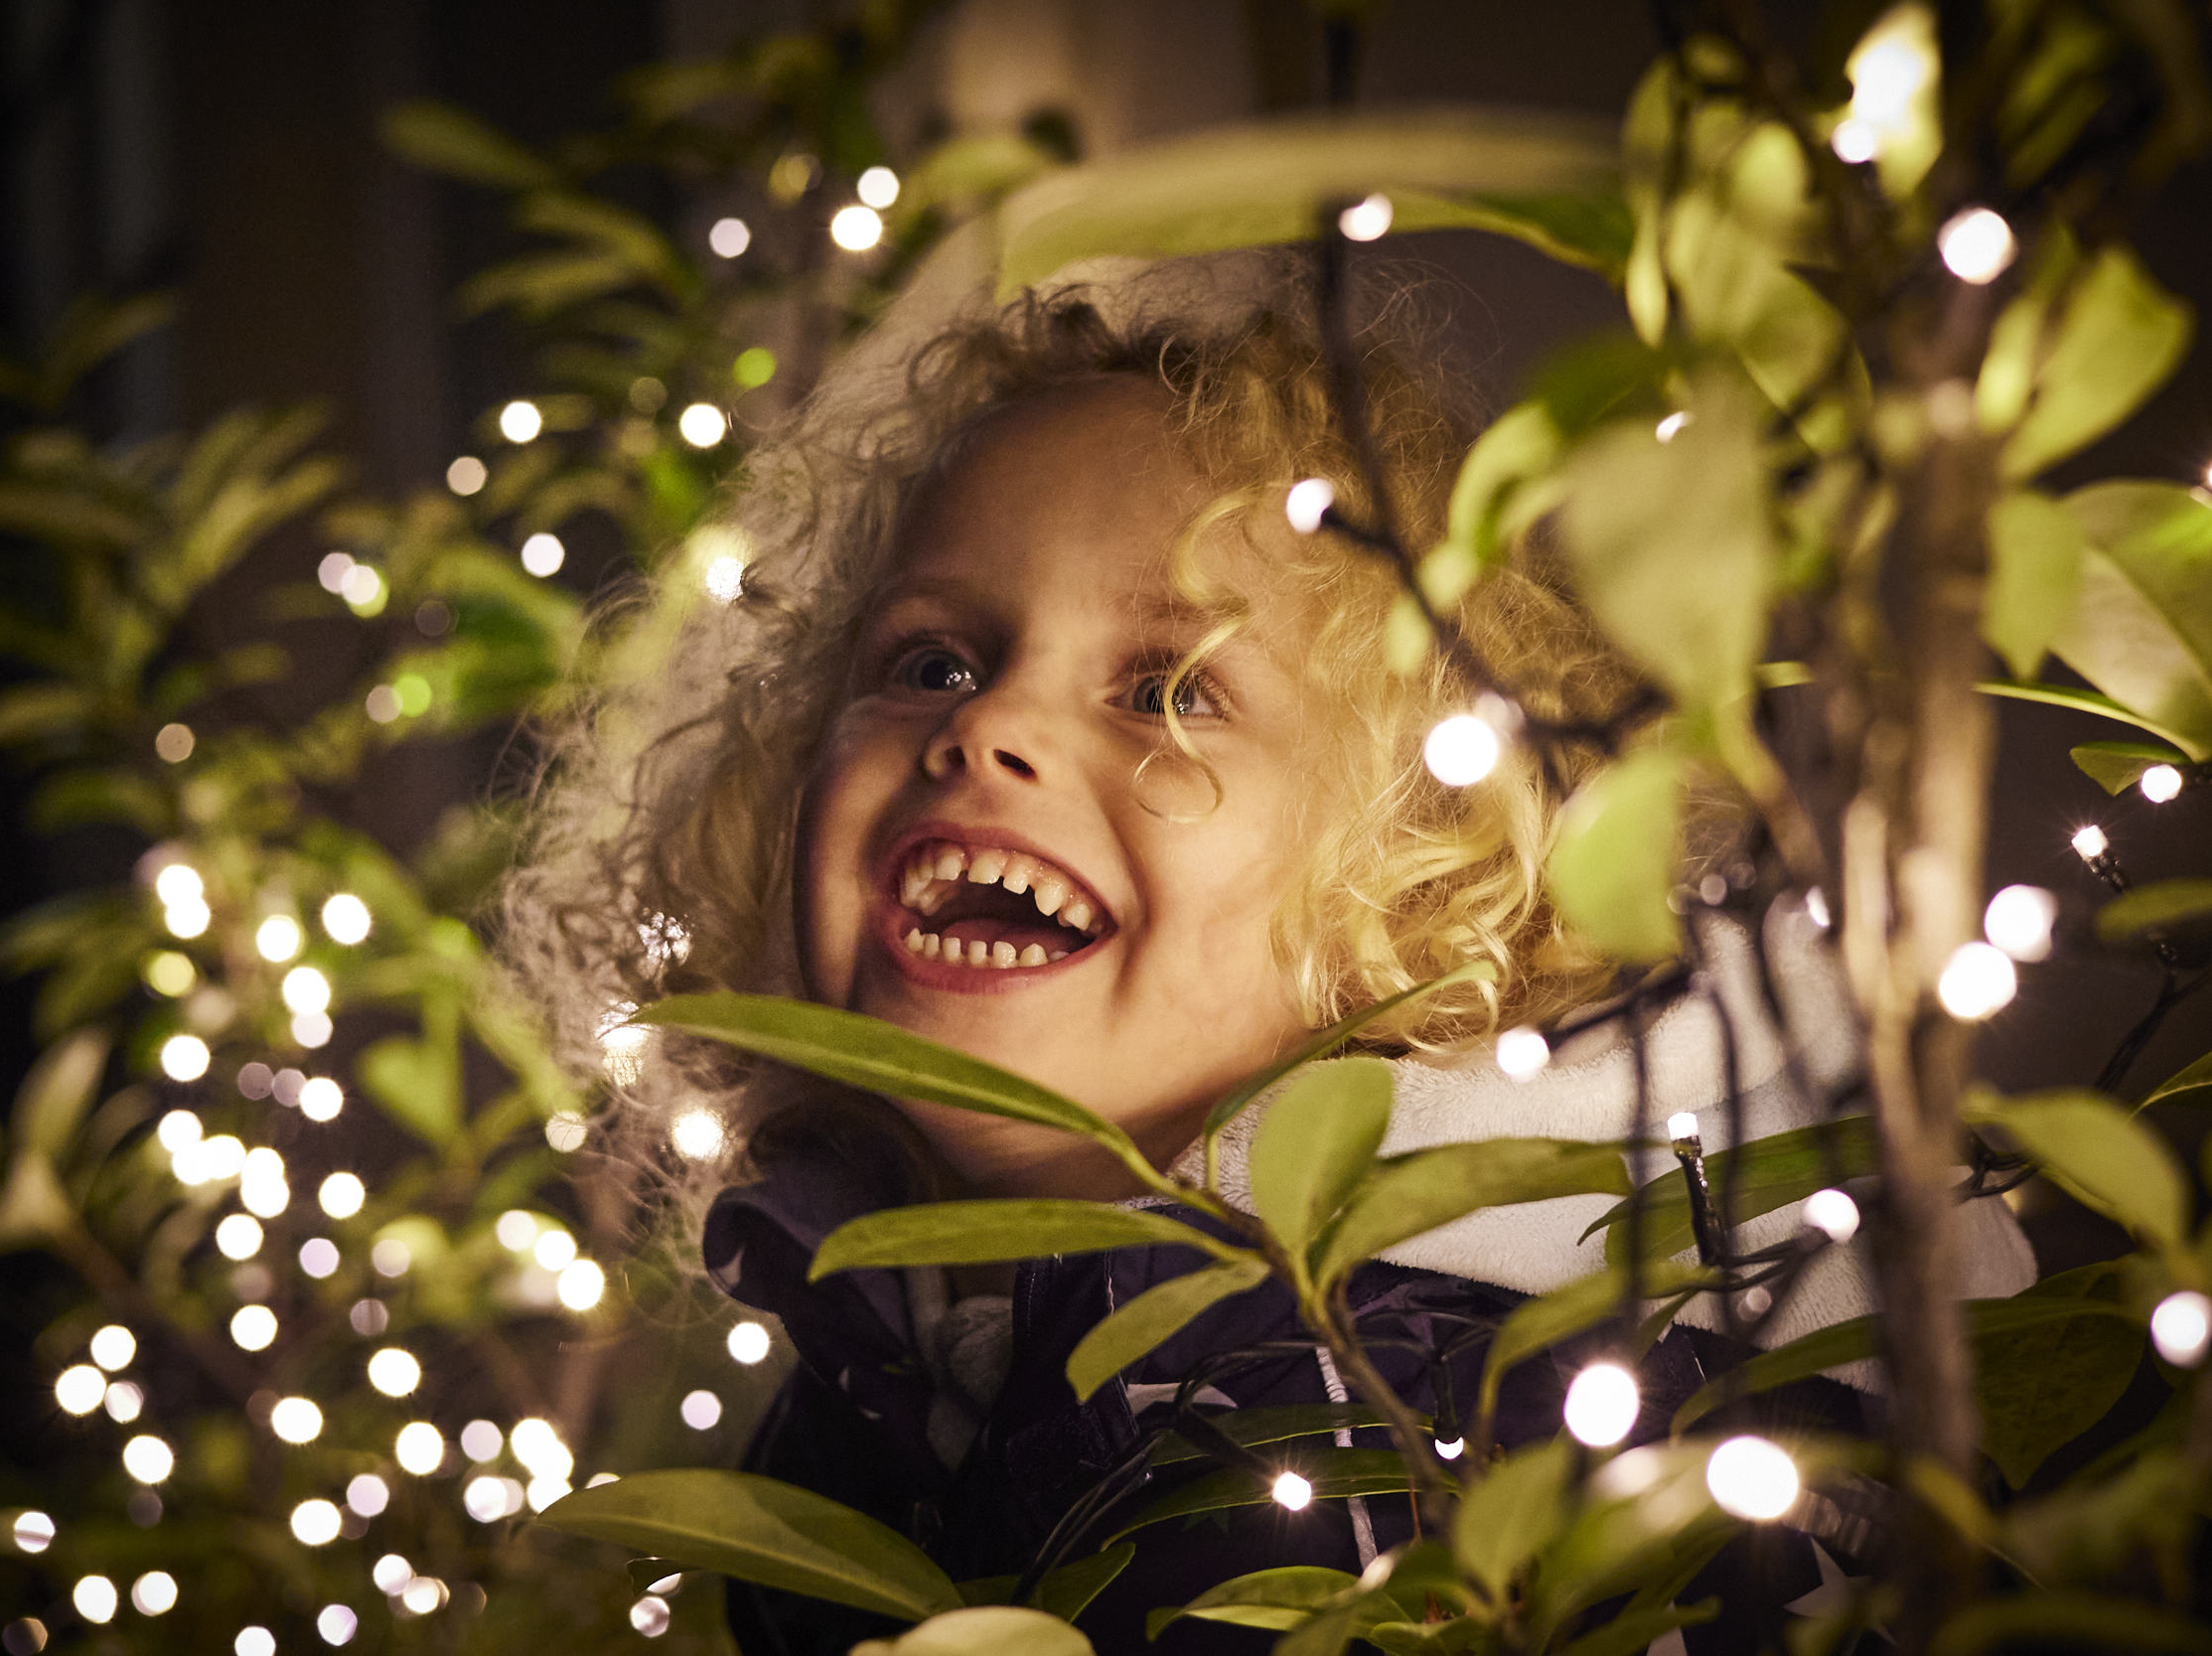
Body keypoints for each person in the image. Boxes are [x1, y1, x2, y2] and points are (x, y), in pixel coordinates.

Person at [501, 249, 2034, 1654]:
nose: (986, 727)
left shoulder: (1394, 1421)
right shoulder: (889, 1373)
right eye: (930, 661)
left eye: (1170, 687)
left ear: (1417, 876)